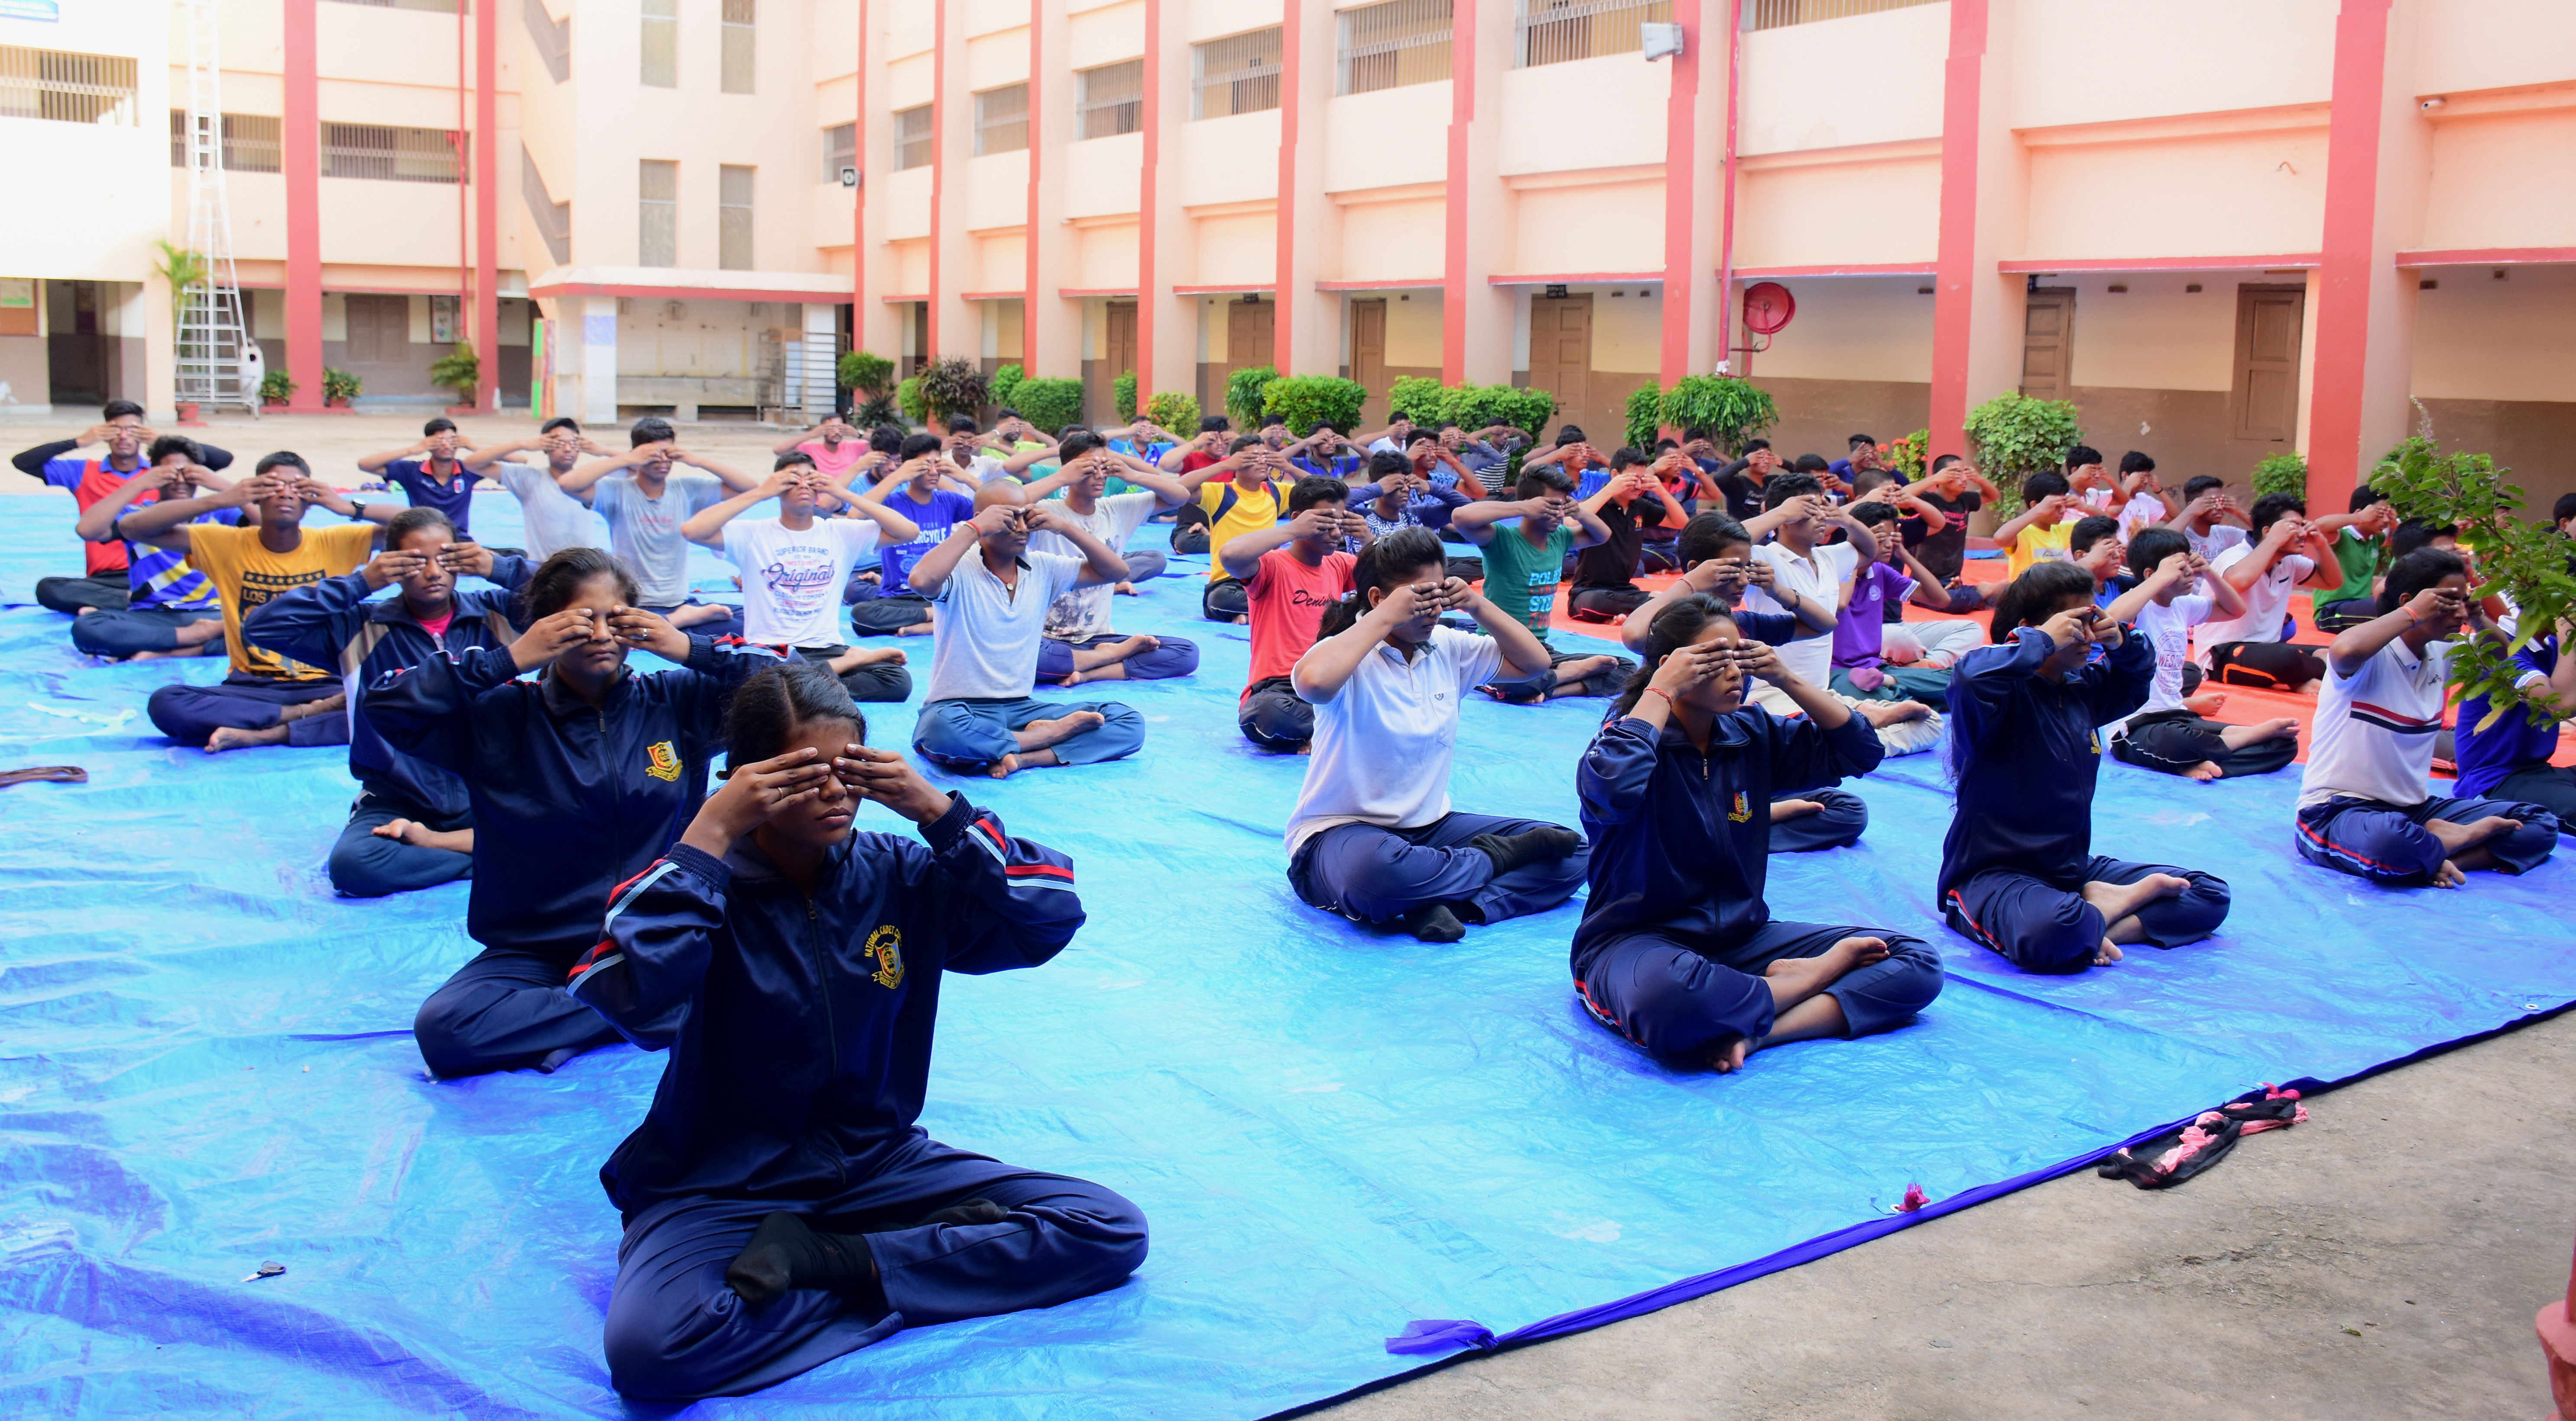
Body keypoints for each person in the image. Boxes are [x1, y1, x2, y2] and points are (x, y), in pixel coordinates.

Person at [569, 660, 1146, 1401]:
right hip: (718, 1183)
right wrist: (710, 828)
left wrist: (941, 813)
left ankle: (834, 1260)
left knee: (1107, 1228)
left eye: (852, 769)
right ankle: (917, 1263)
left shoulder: (898, 872)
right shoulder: (699, 886)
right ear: (748, 778)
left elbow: (1047, 916)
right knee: (656, 1354)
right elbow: (628, 998)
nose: (837, 793)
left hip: (877, 1164)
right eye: (805, 774)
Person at [367, 547, 792, 1076]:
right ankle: (642, 1009)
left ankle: (602, 1011)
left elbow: (794, 683)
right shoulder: (497, 717)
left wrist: (687, 646)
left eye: (615, 618)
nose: (600, 634)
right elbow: (383, 703)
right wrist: (509, 659)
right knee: (446, 1030)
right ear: (544, 626)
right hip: (536, 948)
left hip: (656, 935)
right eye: (579, 620)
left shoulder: (676, 702)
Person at [1574, 593, 1942, 1071]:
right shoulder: (1625, 738)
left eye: (1741, 656)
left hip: (1744, 939)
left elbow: (1860, 751)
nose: (1736, 672)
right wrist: (1660, 692)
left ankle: (1762, 1031)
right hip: (1637, 942)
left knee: (1915, 962)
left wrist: (1786, 678)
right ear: (1670, 666)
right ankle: (1803, 982)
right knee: (1674, 1007)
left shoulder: (1749, 731)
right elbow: (1613, 789)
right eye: (1717, 658)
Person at [1284, 527, 1586, 942]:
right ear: (1378, 600)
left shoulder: (1448, 645)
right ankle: (1480, 866)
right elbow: (1313, 683)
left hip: (1431, 828)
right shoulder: (1347, 650)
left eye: (1440, 596)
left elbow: (1535, 664)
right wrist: (1388, 616)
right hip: (1344, 832)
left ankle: (1441, 901)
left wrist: (1477, 604)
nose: (1434, 611)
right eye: (1421, 599)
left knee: (1573, 854)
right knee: (1374, 877)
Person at [1939, 562, 2233, 971]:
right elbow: (1967, 679)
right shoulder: (1996, 700)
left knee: (2207, 894)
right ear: (2033, 628)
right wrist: (2040, 640)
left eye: (2093, 619)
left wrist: (2122, 639)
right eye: (2077, 623)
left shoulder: (2082, 690)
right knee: (2051, 933)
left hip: (2072, 870)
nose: (2089, 635)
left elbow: (2136, 677)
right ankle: (2093, 918)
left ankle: (2099, 922)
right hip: (1993, 876)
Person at [240, 507, 531, 896]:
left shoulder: (495, 612)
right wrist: (362, 581)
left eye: (445, 559)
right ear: (392, 565)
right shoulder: (358, 626)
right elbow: (262, 626)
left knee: (590, 825)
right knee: (354, 867)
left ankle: (452, 845)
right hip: (399, 797)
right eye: (415, 561)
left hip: (489, 789)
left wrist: (500, 567)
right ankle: (495, 852)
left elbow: (579, 591)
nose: (433, 572)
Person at [2294, 548, 2560, 887]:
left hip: (2416, 811)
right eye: (2449, 602)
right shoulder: (2370, 656)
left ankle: (2442, 855)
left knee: (2537, 824)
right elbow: (2344, 651)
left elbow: (2501, 658)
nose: (2460, 613)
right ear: (2412, 602)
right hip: (2338, 811)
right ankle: (2436, 848)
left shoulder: (2443, 652)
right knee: (2389, 843)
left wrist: (2480, 619)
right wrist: (2410, 612)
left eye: (2464, 601)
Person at [1618, 512, 1865, 853]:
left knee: (1848, 809)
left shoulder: (1744, 625)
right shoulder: (1673, 621)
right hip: (1676, 765)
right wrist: (1688, 583)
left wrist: (1778, 591)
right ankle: (1734, 824)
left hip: (1727, 756)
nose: (1744, 579)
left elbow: (1825, 624)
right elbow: (1633, 635)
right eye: (1734, 568)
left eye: (1749, 568)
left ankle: (1734, 824)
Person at [112, 455, 391, 751]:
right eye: (273, 486)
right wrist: (222, 499)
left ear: (310, 501)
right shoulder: (225, 542)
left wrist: (349, 507)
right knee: (166, 703)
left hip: (328, 684)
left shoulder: (338, 541)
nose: (285, 493)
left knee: (391, 706)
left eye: (296, 487)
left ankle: (262, 734)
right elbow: (133, 528)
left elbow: (425, 524)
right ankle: (299, 718)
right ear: (255, 495)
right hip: (253, 687)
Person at [905, 482, 1143, 778]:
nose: (1021, 527)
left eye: (1026, 516)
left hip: (1022, 710)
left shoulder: (1044, 567)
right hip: (960, 709)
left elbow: (1117, 572)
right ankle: (1039, 740)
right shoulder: (959, 568)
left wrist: (1065, 527)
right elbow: (921, 580)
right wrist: (974, 528)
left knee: (1129, 722)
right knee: (936, 730)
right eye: (1009, 518)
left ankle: (1029, 757)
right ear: (983, 518)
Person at [682, 453, 920, 702]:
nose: (803, 485)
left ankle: (804, 687)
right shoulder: (752, 533)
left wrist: (844, 494)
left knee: (897, 681)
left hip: (826, 650)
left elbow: (909, 532)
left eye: (810, 479)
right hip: (770, 651)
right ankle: (826, 680)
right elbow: (692, 530)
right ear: (778, 486)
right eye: (792, 480)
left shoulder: (839, 532)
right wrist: (761, 492)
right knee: (756, 681)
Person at [1739, 477, 1943, 754]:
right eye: (1811, 510)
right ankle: (1856, 732)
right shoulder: (1765, 557)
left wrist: (1847, 520)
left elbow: (1868, 549)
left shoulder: (1829, 558)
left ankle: (1853, 736)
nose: (1822, 517)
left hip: (1820, 696)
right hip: (1772, 695)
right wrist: (1781, 513)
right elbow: (1726, 541)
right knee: (1796, 736)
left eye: (1823, 507)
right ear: (1786, 519)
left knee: (1931, 724)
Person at [2102, 527, 2299, 780]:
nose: (2189, 575)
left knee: (2284, 746)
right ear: (2153, 575)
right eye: (2180, 570)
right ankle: (2224, 746)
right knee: (2179, 742)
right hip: (2137, 726)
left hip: (2180, 717)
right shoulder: (2141, 606)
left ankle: (2189, 764)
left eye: (2190, 567)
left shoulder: (2183, 605)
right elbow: (2113, 619)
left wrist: (2210, 573)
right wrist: (2160, 578)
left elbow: (2235, 610)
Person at [1019, 431, 1200, 686]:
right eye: (1088, 468)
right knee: (1022, 658)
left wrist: (1133, 475)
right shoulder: (1047, 512)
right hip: (1047, 639)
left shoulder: (1117, 508)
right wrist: (1060, 478)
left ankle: (1091, 669)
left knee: (1186, 654)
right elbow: (1000, 503)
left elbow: (1180, 496)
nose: (1099, 475)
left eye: (1103, 466)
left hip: (1099, 638)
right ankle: (1103, 659)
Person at [18, 401, 235, 614]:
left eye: (133, 430)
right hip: (107, 578)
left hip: (159, 571)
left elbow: (221, 459)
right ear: (103, 433)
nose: (123, 437)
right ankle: (128, 602)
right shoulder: (84, 471)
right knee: (49, 588)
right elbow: (24, 462)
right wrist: (81, 441)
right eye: (115, 429)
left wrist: (162, 442)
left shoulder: (164, 475)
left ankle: (115, 606)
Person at [559, 418, 762, 633]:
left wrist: (697, 460)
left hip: (681, 600)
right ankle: (678, 620)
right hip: (636, 604)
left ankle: (679, 619)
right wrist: (626, 460)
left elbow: (749, 488)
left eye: (668, 453)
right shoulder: (617, 492)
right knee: (618, 630)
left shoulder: (686, 490)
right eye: (654, 454)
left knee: (750, 624)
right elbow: (568, 484)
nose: (662, 460)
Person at [1449, 466, 1631, 702]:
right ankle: (1560, 676)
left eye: (1563, 505)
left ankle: (1549, 688)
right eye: (1552, 505)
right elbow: (1461, 517)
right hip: (1500, 649)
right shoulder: (1503, 540)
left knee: (1626, 668)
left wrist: (1579, 512)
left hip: (1541, 652)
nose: (1558, 513)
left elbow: (1602, 535)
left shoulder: (1560, 538)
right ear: (1531, 504)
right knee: (1511, 683)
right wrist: (1522, 507)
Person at [1220, 476, 1371, 752]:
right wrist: (1292, 530)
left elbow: (1389, 576)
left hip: (1326, 684)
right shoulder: (1273, 565)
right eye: (1326, 523)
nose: (1336, 534)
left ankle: (1327, 729)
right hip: (1279, 689)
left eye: (1339, 523)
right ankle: (1337, 729)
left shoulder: (1337, 564)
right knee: (1264, 714)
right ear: (1300, 519)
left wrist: (1367, 538)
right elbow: (1230, 555)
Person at [65, 436, 243, 661]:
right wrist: (139, 484)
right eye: (170, 474)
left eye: (188, 473)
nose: (180, 481)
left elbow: (268, 527)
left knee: (274, 626)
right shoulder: (136, 517)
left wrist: (223, 487)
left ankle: (173, 649)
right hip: (154, 614)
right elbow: (87, 530)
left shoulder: (220, 514)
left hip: (214, 614)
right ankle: (195, 639)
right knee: (88, 628)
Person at [2195, 492, 2344, 693]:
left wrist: (2321, 544)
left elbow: (2333, 582)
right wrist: (2273, 541)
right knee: (2287, 658)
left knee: (2340, 655)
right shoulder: (2235, 556)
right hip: (2222, 655)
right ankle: (2308, 672)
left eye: (2303, 525)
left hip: (2267, 649)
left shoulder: (2289, 562)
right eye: (2293, 526)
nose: (2302, 533)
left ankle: (2302, 675)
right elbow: (2239, 581)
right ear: (2268, 532)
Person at [846, 433, 980, 637]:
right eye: (925, 465)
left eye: (938, 464)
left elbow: (1001, 504)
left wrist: (966, 478)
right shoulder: (892, 503)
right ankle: (935, 618)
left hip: (937, 592)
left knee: (975, 599)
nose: (934, 472)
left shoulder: (949, 501)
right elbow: (855, 516)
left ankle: (928, 622)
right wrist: (898, 476)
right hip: (898, 596)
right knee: (861, 617)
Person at [2454, 619, 2575, 830]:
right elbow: (2560, 704)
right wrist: (2569, 628)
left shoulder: (2553, 648)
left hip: (2539, 772)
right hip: (2494, 782)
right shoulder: (2500, 650)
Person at [461, 417, 611, 560]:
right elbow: (471, 464)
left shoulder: (591, 481)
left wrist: (604, 450)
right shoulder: (529, 480)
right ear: (545, 447)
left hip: (583, 570)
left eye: (573, 443)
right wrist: (522, 444)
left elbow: (633, 465)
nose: (567, 449)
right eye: (559, 443)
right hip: (543, 569)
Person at [1565, 450, 1688, 623]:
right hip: (1589, 591)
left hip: (1625, 590)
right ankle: (1651, 605)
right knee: (1594, 602)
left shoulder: (1640, 507)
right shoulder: (1599, 502)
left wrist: (1661, 491)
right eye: (1632, 479)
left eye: (1642, 479)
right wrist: (1609, 490)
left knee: (1637, 598)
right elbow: (1570, 522)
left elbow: (1681, 522)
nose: (1638, 486)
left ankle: (1634, 611)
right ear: (1615, 475)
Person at [1184, 437, 1295, 622]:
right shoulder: (1220, 493)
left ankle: (1251, 614)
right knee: (1219, 600)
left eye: (1264, 456)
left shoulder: (1276, 492)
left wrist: (1289, 468)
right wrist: (1224, 466)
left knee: (1297, 588)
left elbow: (1324, 492)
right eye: (1253, 457)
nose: (1261, 462)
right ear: (1238, 460)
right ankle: (1268, 611)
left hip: (1265, 578)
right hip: (1228, 582)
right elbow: (1180, 489)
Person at [358, 418, 487, 538]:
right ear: (428, 443)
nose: (447, 446)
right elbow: (365, 465)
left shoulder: (469, 469)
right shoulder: (412, 471)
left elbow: (507, 464)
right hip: (421, 538)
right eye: (440, 441)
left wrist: (473, 447)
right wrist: (413, 450)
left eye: (452, 440)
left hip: (458, 538)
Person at [1902, 455, 1997, 609]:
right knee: (1955, 603)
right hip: (1925, 583)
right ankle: (1982, 592)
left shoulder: (1966, 500)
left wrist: (1980, 479)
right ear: (1943, 477)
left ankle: (1975, 594)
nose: (1964, 479)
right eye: (1957, 474)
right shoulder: (1927, 500)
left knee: (2000, 601)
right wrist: (1934, 479)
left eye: (1965, 473)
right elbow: (1901, 497)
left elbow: (1993, 496)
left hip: (1953, 579)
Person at [2307, 486, 2401, 632]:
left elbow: (2398, 541)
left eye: (2387, 515)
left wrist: (2395, 524)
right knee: (2389, 607)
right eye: (2380, 514)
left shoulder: (2374, 538)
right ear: (2361, 513)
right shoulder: (2342, 537)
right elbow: (2319, 526)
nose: (2385, 521)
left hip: (2358, 607)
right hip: (2331, 612)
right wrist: (2358, 519)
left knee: (2400, 601)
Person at [1990, 470, 2078, 579]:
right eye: (2056, 506)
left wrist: (2084, 507)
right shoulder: (2024, 533)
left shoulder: (2061, 529)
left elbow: (2102, 523)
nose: (2063, 511)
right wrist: (2038, 511)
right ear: (2036, 505)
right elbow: (2000, 538)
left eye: (2065, 505)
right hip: (2026, 594)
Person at [2164, 476, 2249, 565]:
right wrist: (2190, 512)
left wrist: (2240, 512)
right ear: (2192, 505)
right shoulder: (2181, 534)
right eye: (2212, 503)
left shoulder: (2224, 533)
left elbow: (2262, 537)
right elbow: (2159, 544)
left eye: (2221, 502)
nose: (2220, 508)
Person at [769, 412, 873, 481]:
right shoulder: (810, 448)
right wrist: (811, 434)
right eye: (831, 428)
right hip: (819, 502)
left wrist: (859, 434)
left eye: (840, 428)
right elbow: (778, 450)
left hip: (847, 500)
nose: (836, 432)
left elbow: (885, 441)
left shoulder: (854, 447)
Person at [2111, 451, 2178, 538]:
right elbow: (2113, 512)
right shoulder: (2108, 496)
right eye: (2142, 477)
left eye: (2148, 477)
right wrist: (2129, 485)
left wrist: (2159, 490)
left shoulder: (2145, 499)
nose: (2146, 481)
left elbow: (2174, 517)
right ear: (2125, 476)